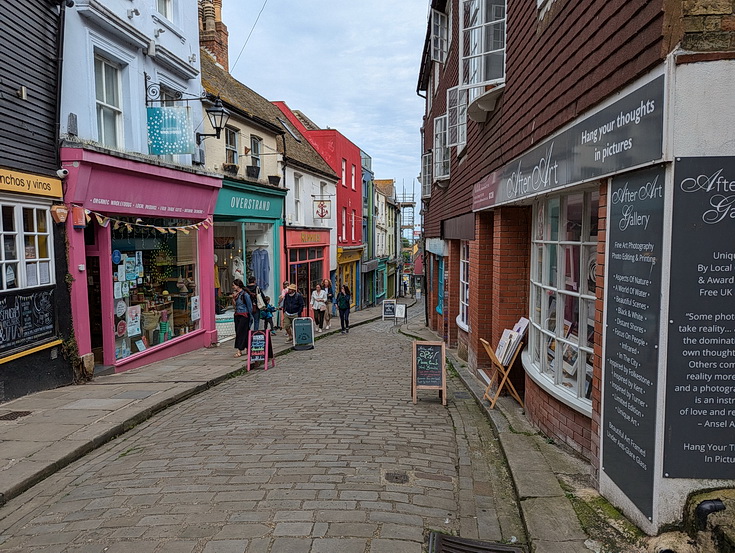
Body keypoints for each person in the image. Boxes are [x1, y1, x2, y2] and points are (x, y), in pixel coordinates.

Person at [231, 278, 252, 357]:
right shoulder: (237, 295)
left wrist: (250, 317)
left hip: (244, 315)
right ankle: (247, 347)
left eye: (234, 285)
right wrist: (233, 298)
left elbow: (249, 306)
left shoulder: (245, 294)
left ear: (238, 285)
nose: (233, 287)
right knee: (240, 331)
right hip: (237, 315)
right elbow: (234, 306)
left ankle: (239, 350)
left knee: (241, 332)